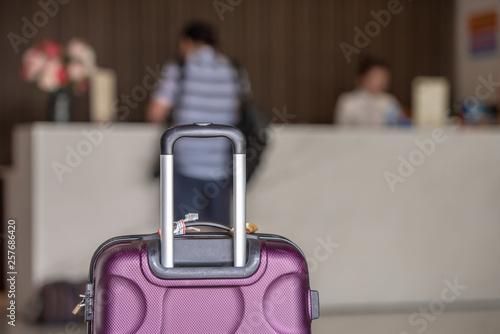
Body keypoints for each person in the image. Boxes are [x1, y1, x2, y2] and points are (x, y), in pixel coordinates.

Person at [147, 21, 251, 226]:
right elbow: (241, 109)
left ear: (187, 42)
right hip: (223, 165)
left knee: (184, 234)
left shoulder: (180, 68)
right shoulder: (234, 69)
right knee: (221, 236)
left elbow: (156, 112)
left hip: (186, 164)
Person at [335, 57, 405, 126]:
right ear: (362, 77)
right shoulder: (348, 101)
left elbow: (398, 126)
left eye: (383, 77)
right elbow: (342, 127)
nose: (380, 81)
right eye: (375, 76)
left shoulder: (389, 100)